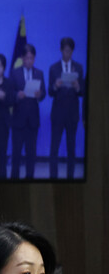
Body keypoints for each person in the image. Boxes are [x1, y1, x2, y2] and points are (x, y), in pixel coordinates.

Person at [48, 37, 85, 179]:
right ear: (61, 50)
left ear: (72, 51)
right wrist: (55, 86)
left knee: (71, 148)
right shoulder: (54, 68)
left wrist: (78, 87)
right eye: (65, 51)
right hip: (57, 114)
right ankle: (53, 178)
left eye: (69, 51)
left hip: (72, 114)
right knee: (54, 148)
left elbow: (82, 92)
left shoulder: (79, 68)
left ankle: (70, 177)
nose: (67, 53)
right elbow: (50, 92)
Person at [11, 44, 46, 180]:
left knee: (31, 153)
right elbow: (10, 92)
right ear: (22, 58)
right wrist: (17, 95)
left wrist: (39, 94)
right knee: (16, 154)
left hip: (33, 120)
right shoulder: (15, 73)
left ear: (34, 58)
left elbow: (44, 93)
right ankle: (14, 180)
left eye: (32, 58)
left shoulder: (39, 73)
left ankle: (30, 179)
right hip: (18, 120)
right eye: (27, 58)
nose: (29, 61)